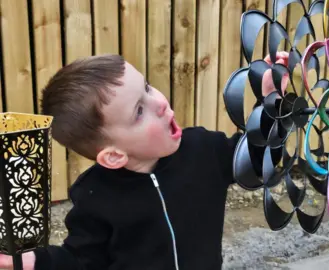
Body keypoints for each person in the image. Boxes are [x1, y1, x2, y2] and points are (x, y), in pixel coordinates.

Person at [0, 51, 289, 270]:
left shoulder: (204, 149)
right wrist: (21, 261)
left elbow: (257, 156)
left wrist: (271, 103)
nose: (160, 103)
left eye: (148, 88)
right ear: (114, 156)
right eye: (139, 111)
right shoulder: (95, 197)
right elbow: (79, 260)